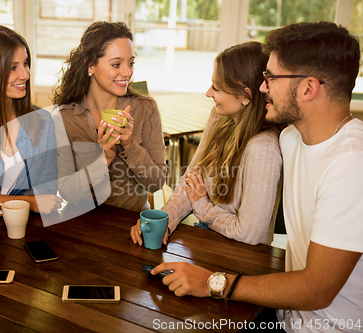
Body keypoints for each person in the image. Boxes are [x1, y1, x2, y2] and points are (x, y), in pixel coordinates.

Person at [152, 22, 363, 333]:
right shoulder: (291, 138)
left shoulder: (352, 164)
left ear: (308, 88)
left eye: (271, 77)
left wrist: (214, 282)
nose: (262, 86)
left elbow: (317, 289)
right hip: (284, 318)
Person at [131, 41, 282, 246]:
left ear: (245, 96)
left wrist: (203, 207)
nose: (208, 93)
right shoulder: (219, 118)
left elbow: (249, 234)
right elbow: (191, 179)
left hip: (240, 258)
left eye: (217, 87)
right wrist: (164, 221)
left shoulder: (263, 148)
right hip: (205, 239)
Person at [52, 21, 167, 212]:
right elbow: (67, 192)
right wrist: (103, 159)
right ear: (90, 65)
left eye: (130, 63)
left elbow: (156, 183)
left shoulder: (146, 108)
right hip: (81, 222)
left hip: (132, 222)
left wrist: (130, 146)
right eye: (116, 64)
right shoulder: (64, 117)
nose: (127, 72)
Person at [0, 24, 62, 221]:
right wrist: (28, 202)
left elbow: (47, 190)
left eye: (26, 63)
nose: (25, 74)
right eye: (13, 67)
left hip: (25, 228)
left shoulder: (43, 120)